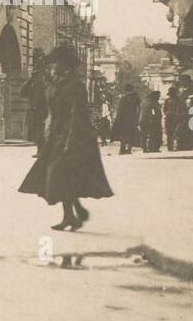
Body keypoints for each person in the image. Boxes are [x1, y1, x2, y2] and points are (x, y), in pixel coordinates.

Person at [18, 44, 112, 231]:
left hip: (75, 136)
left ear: (65, 65)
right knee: (63, 177)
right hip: (57, 135)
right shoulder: (56, 83)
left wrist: (71, 140)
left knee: (57, 174)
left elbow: (78, 114)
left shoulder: (76, 85)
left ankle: (73, 214)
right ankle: (73, 215)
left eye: (56, 63)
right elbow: (30, 97)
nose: (53, 66)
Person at [20, 64, 48, 154]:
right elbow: (22, 93)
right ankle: (40, 150)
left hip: (45, 110)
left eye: (36, 75)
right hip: (35, 110)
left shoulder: (47, 83)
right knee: (38, 131)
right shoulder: (32, 85)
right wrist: (30, 81)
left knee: (42, 131)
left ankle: (42, 151)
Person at [114, 84, 140, 154]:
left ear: (125, 90)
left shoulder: (123, 98)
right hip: (133, 119)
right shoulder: (136, 98)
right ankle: (129, 149)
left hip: (124, 120)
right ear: (132, 89)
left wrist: (117, 119)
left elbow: (120, 110)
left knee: (123, 135)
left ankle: (122, 150)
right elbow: (139, 109)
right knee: (131, 134)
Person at [164, 83, 184, 153]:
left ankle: (176, 146)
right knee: (170, 133)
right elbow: (165, 109)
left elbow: (180, 108)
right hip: (170, 118)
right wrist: (167, 113)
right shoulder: (167, 100)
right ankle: (170, 146)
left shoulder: (178, 100)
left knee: (176, 132)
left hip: (175, 117)